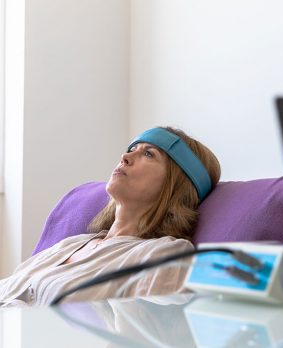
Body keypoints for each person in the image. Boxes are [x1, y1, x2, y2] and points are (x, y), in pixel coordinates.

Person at [0, 126, 221, 307]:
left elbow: (151, 333)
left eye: (148, 153)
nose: (125, 156)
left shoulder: (164, 255)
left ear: (175, 187)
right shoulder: (70, 245)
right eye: (132, 148)